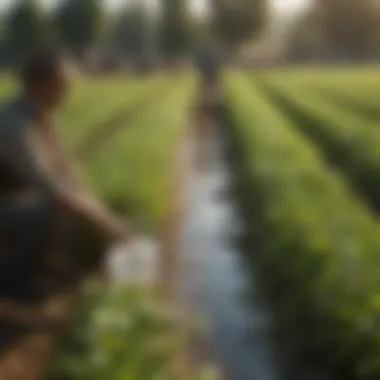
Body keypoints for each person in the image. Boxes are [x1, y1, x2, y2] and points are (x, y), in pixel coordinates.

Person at [0, 47, 130, 301]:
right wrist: (106, 224)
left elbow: (66, 171)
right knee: (54, 210)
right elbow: (52, 188)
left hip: (10, 199)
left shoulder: (42, 116)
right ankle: (11, 282)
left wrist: (102, 212)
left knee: (71, 202)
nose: (69, 89)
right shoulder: (13, 125)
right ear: (42, 84)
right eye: (63, 82)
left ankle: (45, 265)